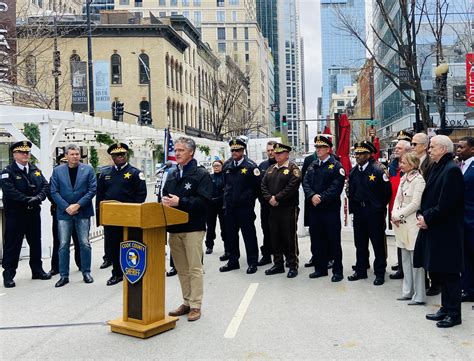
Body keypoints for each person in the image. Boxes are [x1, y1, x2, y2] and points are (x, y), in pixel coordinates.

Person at [414, 135, 464, 328]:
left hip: (447, 231)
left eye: (433, 147)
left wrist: (427, 218)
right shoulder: (438, 166)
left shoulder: (451, 170)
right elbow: (430, 196)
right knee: (442, 272)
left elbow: (447, 204)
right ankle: (445, 307)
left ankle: (454, 313)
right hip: (436, 227)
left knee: (450, 273)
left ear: (443, 149)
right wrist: (422, 214)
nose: (429, 150)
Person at [163, 137, 212, 322]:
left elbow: (205, 202)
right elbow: (167, 195)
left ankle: (196, 305)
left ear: (191, 152)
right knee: (182, 269)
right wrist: (166, 202)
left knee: (194, 268)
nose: (176, 153)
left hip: (193, 228)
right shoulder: (173, 173)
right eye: (175, 150)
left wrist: (180, 202)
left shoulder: (201, 174)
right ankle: (186, 301)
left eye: (180, 150)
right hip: (175, 229)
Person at [1, 141, 51, 288]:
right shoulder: (7, 172)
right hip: (16, 214)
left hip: (33, 213)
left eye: (27, 152)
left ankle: (37, 270)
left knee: (35, 242)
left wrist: (38, 198)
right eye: (22, 152)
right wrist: (27, 200)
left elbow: (45, 186)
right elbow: (9, 191)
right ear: (14, 154)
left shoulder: (35, 169)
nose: (25, 155)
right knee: (13, 244)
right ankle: (9, 274)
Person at [96, 143, 147, 286]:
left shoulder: (136, 173)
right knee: (113, 247)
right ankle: (117, 274)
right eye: (116, 155)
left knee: (130, 247)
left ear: (126, 155)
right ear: (111, 157)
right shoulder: (105, 174)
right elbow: (100, 197)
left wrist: (133, 214)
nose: (120, 157)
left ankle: (133, 272)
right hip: (111, 219)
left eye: (122, 154)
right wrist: (101, 217)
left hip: (130, 218)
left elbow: (141, 195)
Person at [50, 144, 97, 287]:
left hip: (82, 211)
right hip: (64, 213)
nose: (75, 156)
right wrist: (66, 207)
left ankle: (86, 272)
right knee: (63, 244)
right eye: (72, 154)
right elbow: (54, 191)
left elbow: (92, 189)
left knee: (84, 243)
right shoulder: (57, 171)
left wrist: (78, 205)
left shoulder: (88, 169)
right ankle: (64, 276)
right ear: (66, 156)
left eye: (77, 154)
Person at [347, 140, 392, 286]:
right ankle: (361, 270)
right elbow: (350, 192)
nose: (357, 156)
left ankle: (379, 272)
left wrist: (378, 208)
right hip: (359, 212)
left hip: (374, 213)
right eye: (356, 154)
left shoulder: (378, 169)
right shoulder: (354, 171)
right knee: (360, 243)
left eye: (361, 154)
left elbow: (387, 193)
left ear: (368, 154)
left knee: (377, 243)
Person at [303, 135, 345, 281]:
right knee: (317, 240)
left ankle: (337, 271)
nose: (318, 150)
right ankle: (320, 268)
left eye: (321, 147)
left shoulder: (336, 166)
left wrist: (320, 197)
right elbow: (305, 183)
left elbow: (336, 188)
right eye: (317, 147)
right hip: (315, 210)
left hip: (329, 210)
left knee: (333, 241)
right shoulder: (312, 164)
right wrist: (312, 195)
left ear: (328, 149)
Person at [220, 138, 261, 274]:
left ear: (243, 151)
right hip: (230, 207)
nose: (234, 152)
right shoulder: (226, 165)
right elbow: (225, 185)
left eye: (237, 150)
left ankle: (253, 261)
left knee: (248, 235)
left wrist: (247, 200)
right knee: (231, 235)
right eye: (232, 150)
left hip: (245, 208)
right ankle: (233, 261)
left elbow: (257, 187)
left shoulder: (251, 166)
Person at [261, 143, 301, 278]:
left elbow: (292, 187)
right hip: (273, 209)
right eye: (275, 153)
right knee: (275, 236)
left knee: (289, 237)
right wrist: (269, 198)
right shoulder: (271, 169)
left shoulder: (293, 169)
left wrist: (277, 198)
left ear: (287, 154)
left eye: (280, 153)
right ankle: (278, 264)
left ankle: (293, 264)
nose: (276, 155)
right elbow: (263, 185)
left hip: (288, 208)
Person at [391, 152, 426, 305]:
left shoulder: (419, 180)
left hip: (412, 224)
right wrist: (394, 214)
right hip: (400, 224)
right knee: (405, 259)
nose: (400, 165)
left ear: (412, 164)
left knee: (416, 262)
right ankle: (407, 291)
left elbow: (416, 204)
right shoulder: (403, 178)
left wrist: (399, 216)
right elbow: (397, 199)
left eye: (403, 162)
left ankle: (419, 295)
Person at [411, 132, 439, 296]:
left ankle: (436, 282)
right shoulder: (416, 162)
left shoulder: (429, 163)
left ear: (424, 145)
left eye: (415, 144)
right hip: (419, 210)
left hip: (428, 209)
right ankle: (426, 280)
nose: (412, 147)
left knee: (432, 249)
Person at [49, 154, 81, 276]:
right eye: (62, 162)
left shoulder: (78, 174)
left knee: (79, 240)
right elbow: (50, 192)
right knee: (59, 241)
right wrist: (63, 205)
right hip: (60, 212)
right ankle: (56, 267)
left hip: (77, 211)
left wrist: (75, 205)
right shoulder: (55, 175)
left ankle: (82, 264)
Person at [388, 133, 413, 280]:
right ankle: (402, 267)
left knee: (408, 240)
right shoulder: (393, 165)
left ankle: (406, 269)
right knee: (399, 238)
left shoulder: (412, 165)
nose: (396, 150)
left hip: (408, 209)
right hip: (395, 206)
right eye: (396, 147)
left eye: (399, 147)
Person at [457, 137, 474, 303]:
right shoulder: (459, 166)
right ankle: (468, 289)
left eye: (462, 147)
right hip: (462, 220)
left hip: (472, 219)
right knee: (466, 257)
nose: (458, 149)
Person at [256, 140, 277, 266]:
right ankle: (267, 255)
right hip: (265, 205)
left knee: (281, 231)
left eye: (272, 150)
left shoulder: (283, 165)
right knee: (266, 230)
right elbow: (258, 185)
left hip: (279, 205)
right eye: (268, 150)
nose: (270, 153)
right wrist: (263, 199)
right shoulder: (262, 165)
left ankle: (284, 255)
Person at [205, 159, 226, 255]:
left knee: (225, 227)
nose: (216, 167)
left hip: (222, 205)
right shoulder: (209, 177)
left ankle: (227, 245)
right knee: (210, 227)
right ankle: (209, 246)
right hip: (211, 205)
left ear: (222, 166)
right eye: (214, 166)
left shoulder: (225, 177)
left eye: (218, 165)